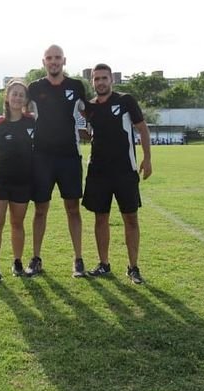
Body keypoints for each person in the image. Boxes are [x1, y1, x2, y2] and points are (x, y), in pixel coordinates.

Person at [82, 63, 152, 284]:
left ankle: (133, 267)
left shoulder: (125, 100)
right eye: (97, 79)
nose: (100, 82)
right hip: (98, 172)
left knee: (130, 218)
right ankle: (104, 264)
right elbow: (89, 133)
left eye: (104, 78)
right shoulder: (89, 106)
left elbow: (142, 128)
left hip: (125, 171)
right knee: (100, 218)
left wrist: (147, 158)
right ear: (92, 82)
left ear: (111, 80)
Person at [26, 44, 87, 278]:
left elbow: (87, 113)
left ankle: (78, 259)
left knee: (73, 209)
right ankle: (36, 258)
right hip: (41, 158)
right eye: (49, 58)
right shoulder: (35, 88)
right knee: (40, 209)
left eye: (57, 58)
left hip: (70, 157)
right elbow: (19, 110)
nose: (54, 61)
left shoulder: (76, 86)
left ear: (64, 61)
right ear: (43, 62)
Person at [0, 80, 35, 283]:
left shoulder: (32, 122)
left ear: (25, 100)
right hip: (0, 183)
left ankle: (17, 262)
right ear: (7, 97)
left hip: (23, 182)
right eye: (14, 94)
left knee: (18, 223)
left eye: (21, 95)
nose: (17, 98)